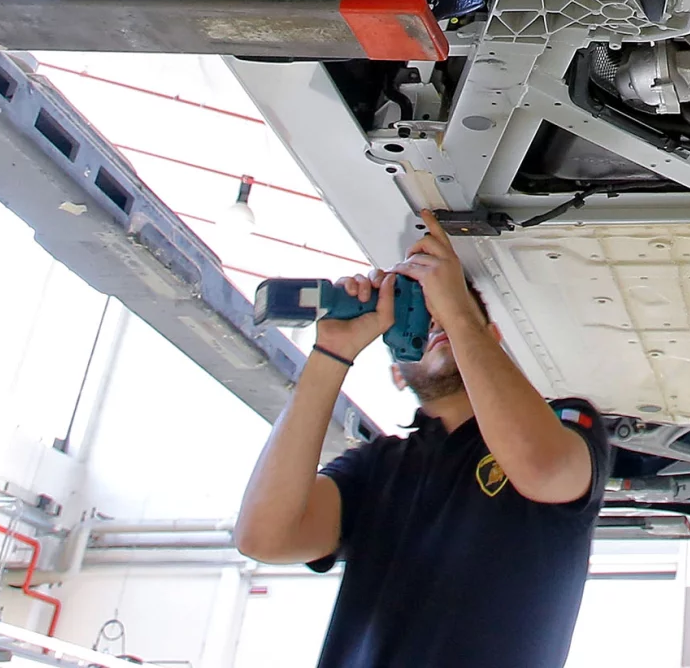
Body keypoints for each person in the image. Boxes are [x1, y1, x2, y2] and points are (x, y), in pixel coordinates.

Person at [233, 218, 612, 668]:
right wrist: (331, 353)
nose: (435, 320)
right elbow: (264, 537)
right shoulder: (374, 468)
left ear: (491, 338)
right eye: (423, 316)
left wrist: (457, 311)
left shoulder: (564, 422)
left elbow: (543, 467)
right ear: (397, 371)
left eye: (444, 311)